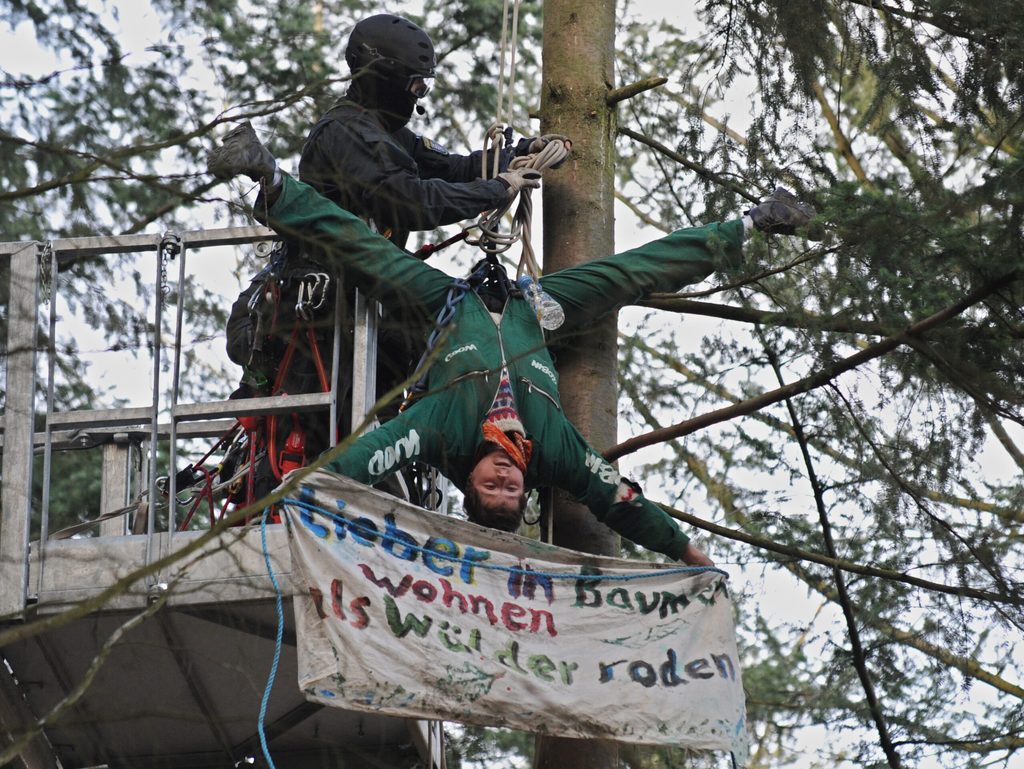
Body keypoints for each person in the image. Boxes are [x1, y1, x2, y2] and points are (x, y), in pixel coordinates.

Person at [206, 123, 816, 565]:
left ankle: (268, 176)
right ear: (527, 490)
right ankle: (754, 222)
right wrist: (687, 552)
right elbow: (619, 501)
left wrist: (290, 498)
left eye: (489, 487)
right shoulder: (553, 449)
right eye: (511, 489)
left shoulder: (440, 430)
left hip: (448, 306)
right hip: (532, 309)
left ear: (468, 482)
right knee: (628, 274)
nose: (503, 477)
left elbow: (364, 459)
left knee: (366, 252)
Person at [299, 12, 566, 250]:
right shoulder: (344, 133)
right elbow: (410, 201)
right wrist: (495, 190)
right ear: (386, 79)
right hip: (338, 281)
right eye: (416, 85)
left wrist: (520, 153)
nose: (419, 95)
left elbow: (453, 169)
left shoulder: (390, 134)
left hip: (369, 276)